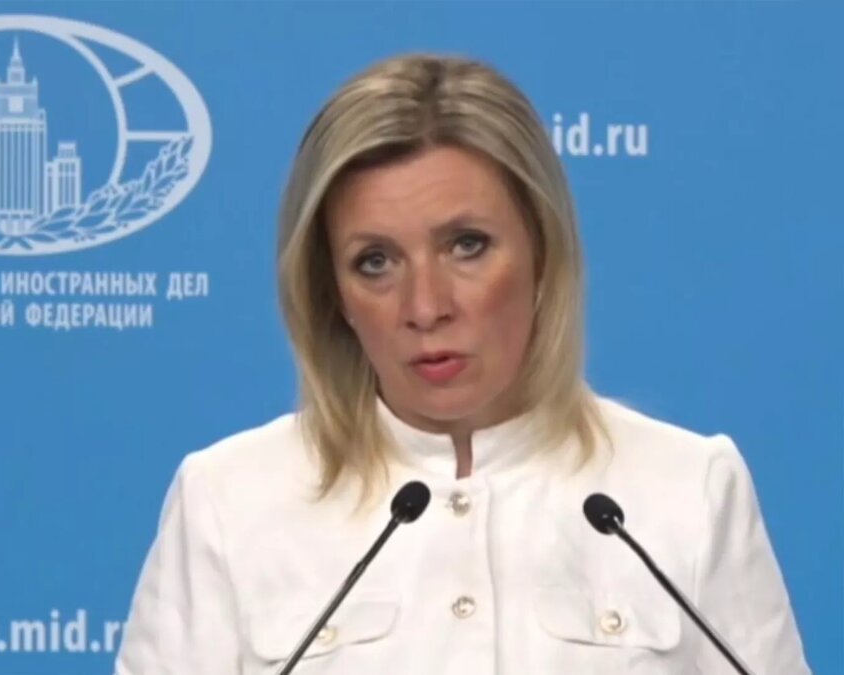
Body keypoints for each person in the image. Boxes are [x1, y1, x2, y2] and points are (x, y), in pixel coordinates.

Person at [113, 53, 810, 674]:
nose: (425, 306)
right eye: (375, 262)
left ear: (543, 253)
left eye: (467, 245)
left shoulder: (688, 490)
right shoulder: (229, 502)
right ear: (333, 294)